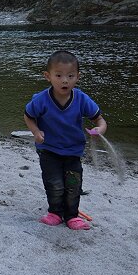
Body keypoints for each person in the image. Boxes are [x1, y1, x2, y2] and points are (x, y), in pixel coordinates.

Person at [24, 50, 107, 230]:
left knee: (73, 184)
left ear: (78, 77)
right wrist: (36, 131)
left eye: (70, 76)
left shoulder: (82, 99)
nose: (64, 81)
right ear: (48, 76)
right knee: (54, 183)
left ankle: (71, 216)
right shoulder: (41, 100)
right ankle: (55, 212)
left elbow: (99, 119)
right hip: (48, 150)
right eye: (59, 75)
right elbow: (28, 116)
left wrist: (99, 129)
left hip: (73, 151)